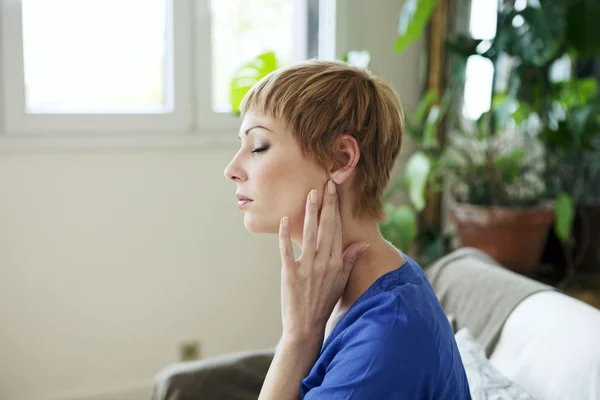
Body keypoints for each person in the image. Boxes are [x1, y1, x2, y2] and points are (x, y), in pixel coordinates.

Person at [224, 60, 471, 400]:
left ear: (340, 159)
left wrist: (298, 338)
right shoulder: (360, 287)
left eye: (258, 146)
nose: (232, 169)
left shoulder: (386, 339)